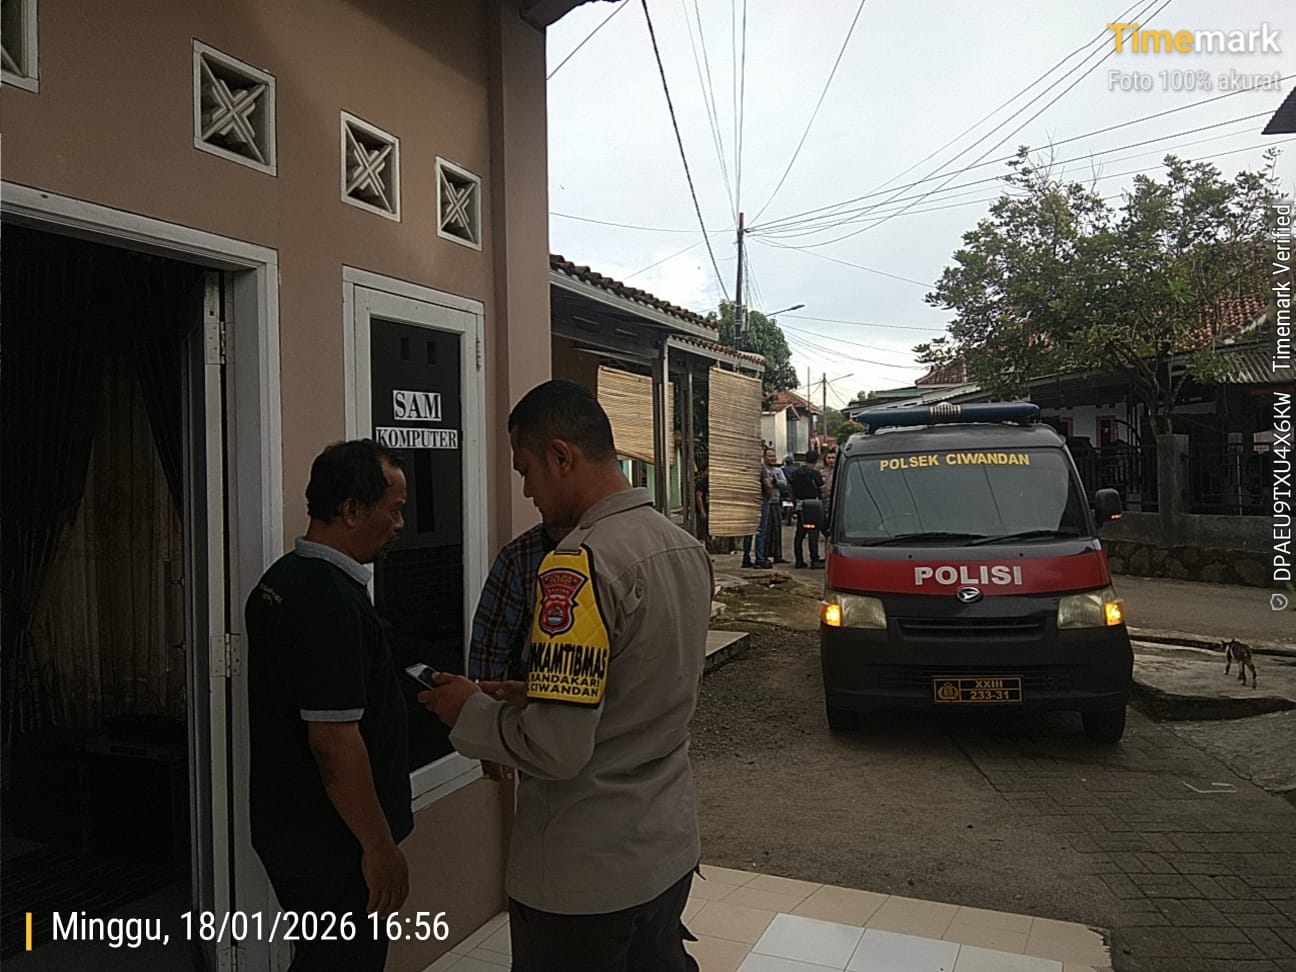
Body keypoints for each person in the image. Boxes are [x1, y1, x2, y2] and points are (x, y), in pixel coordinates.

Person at [420, 380, 712, 971]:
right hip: (666, 847)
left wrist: (469, 711)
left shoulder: (576, 565)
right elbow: (636, 684)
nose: (527, 491)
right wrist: (537, 692)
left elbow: (556, 749)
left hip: (586, 871)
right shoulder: (683, 548)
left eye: (526, 470)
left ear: (561, 456)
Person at [245, 439, 412, 972]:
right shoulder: (329, 603)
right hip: (333, 846)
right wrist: (379, 847)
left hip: (293, 830)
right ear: (352, 510)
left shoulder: (279, 581)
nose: (400, 524)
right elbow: (334, 744)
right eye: (394, 510)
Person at [469, 520, 572, 781]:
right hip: (539, 734)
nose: (530, 498)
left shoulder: (619, 550)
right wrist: (488, 738)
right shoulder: (520, 557)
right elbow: (489, 649)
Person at [787, 450, 826, 569]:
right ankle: (814, 560)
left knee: (800, 533)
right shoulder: (815, 474)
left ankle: (799, 560)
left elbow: (790, 489)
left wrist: (795, 503)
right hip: (813, 505)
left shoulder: (795, 473)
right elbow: (822, 489)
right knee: (813, 533)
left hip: (800, 505)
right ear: (816, 461)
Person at [693, 463, 709, 541]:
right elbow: (698, 497)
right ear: (703, 471)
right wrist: (702, 511)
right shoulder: (701, 482)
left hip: (707, 509)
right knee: (701, 531)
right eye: (708, 470)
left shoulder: (707, 481)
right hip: (702, 511)